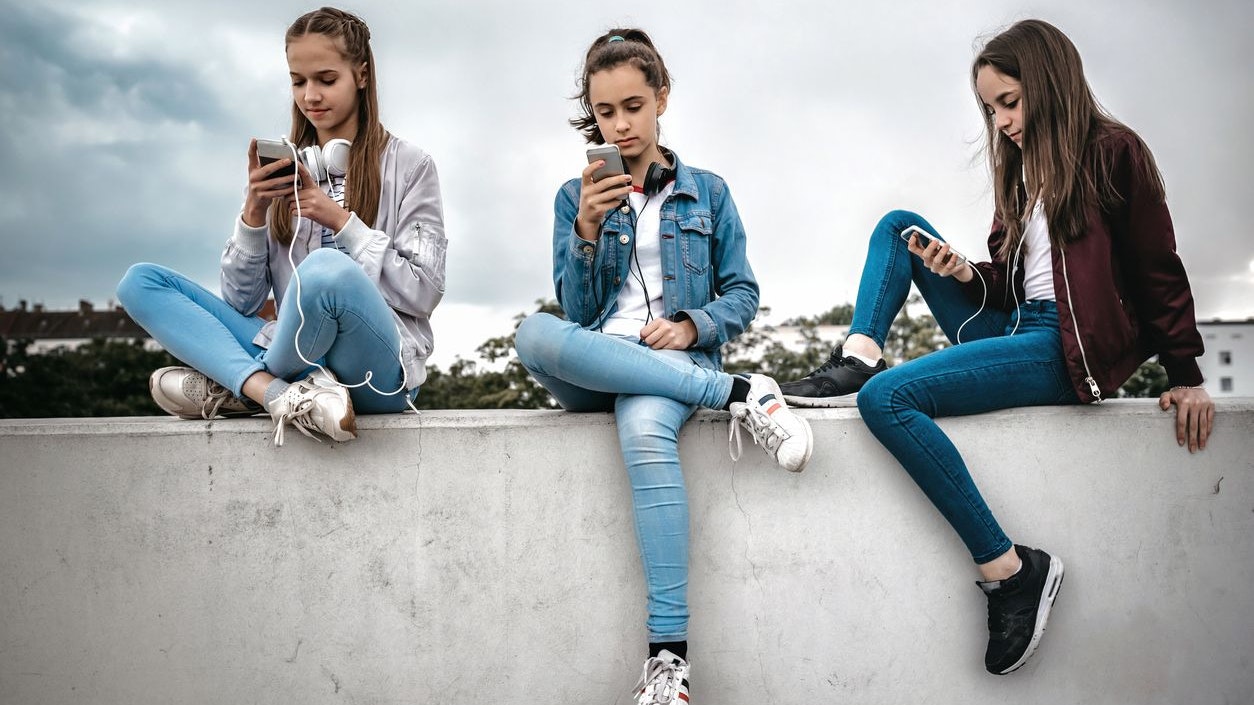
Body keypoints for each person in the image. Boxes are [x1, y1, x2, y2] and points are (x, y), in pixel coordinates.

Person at [780, 19, 1214, 674]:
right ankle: (859, 351)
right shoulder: (1022, 173)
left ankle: (1011, 571)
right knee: (899, 227)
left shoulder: (1114, 151)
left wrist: (1186, 371)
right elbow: (1013, 287)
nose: (1002, 120)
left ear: (1049, 83)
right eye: (991, 108)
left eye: (1009, 101)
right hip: (1016, 327)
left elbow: (1158, 267)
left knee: (888, 400)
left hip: (1063, 348)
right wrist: (963, 274)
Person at [512, 29, 813, 704]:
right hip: (598, 361)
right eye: (605, 112)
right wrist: (586, 232)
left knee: (645, 431)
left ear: (661, 101)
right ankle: (736, 391)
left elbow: (742, 293)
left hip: (666, 370)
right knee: (532, 332)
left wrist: (690, 326)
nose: (619, 125)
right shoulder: (574, 196)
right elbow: (577, 307)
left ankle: (669, 663)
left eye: (632, 106)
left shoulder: (708, 193)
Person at [117, 7, 446, 445]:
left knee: (325, 270)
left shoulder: (411, 166)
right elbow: (242, 302)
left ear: (361, 76)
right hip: (291, 360)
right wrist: (253, 213)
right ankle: (271, 393)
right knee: (140, 281)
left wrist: (341, 221)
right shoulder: (287, 169)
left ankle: (239, 384)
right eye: (298, 81)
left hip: (376, 375)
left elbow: (424, 290)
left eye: (326, 80)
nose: (310, 95)